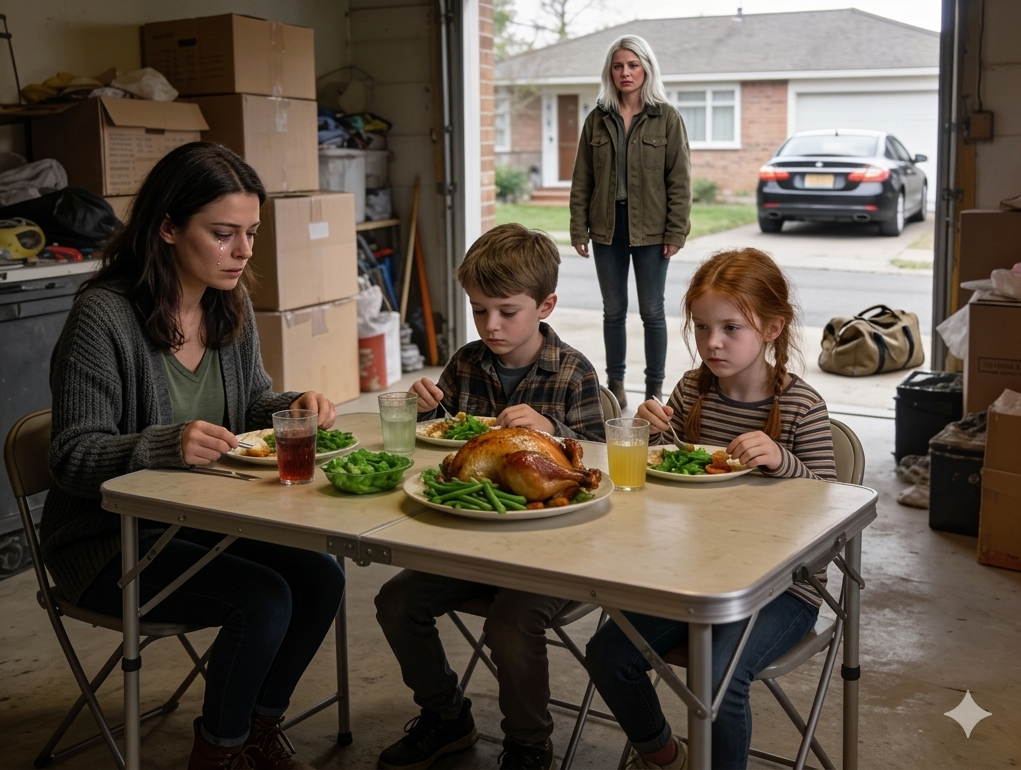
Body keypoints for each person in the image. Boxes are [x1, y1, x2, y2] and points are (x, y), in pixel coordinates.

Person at [39, 142, 345, 770]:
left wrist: (294, 406)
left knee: (323, 576)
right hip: (108, 545)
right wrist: (164, 443)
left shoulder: (224, 301)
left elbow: (253, 403)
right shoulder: (103, 318)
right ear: (169, 228)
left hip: (200, 522)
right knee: (261, 599)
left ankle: (256, 728)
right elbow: (70, 456)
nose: (244, 252)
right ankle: (220, 752)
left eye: (251, 233)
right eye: (224, 233)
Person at [584, 247, 836, 770]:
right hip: (695, 575)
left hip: (785, 587)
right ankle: (663, 755)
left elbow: (832, 515)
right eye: (701, 328)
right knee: (609, 654)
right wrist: (644, 432)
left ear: (771, 329)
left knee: (718, 678)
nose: (712, 343)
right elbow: (666, 483)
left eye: (730, 329)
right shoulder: (693, 389)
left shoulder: (800, 406)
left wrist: (784, 461)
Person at [374, 223, 604, 770]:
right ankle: (447, 716)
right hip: (473, 542)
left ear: (545, 305)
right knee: (396, 601)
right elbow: (446, 451)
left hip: (553, 552)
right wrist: (425, 408)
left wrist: (551, 428)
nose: (491, 326)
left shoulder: (573, 372)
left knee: (509, 622)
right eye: (479, 311)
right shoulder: (466, 362)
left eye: (506, 311)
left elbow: (597, 462)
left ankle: (528, 743)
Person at [569, 34, 691, 410]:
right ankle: (615, 385)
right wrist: (578, 228)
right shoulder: (597, 119)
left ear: (646, 69)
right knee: (614, 310)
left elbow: (680, 180)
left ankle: (654, 390)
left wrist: (676, 231)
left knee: (653, 311)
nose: (626, 72)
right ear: (611, 71)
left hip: (653, 230)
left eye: (633, 65)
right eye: (619, 66)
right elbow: (582, 179)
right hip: (607, 228)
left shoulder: (667, 118)